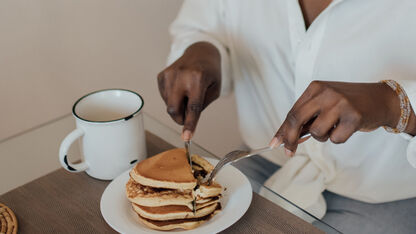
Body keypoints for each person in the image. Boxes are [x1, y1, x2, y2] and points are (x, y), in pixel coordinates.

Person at [157, 0, 416, 233]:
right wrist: (203, 48)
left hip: (384, 195)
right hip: (263, 164)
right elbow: (200, 25)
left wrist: (394, 104)